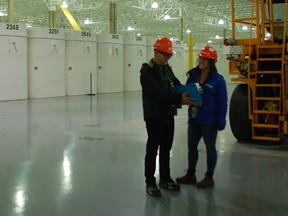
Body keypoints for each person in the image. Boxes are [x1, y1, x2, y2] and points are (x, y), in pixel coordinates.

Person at [140, 37, 193, 196]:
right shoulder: (147, 71)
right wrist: (179, 99)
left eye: (169, 56)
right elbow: (159, 95)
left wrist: (188, 91)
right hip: (154, 116)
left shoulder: (166, 68)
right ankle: (150, 182)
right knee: (152, 149)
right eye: (165, 55)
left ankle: (165, 178)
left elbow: (175, 84)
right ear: (156, 52)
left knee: (166, 148)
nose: (167, 58)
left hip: (168, 114)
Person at [176, 45, 228, 188]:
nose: (202, 61)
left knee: (210, 147)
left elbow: (222, 103)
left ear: (212, 62)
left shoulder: (218, 80)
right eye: (201, 58)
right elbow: (186, 90)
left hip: (209, 120)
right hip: (194, 118)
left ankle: (209, 176)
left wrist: (221, 121)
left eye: (205, 59)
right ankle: (191, 174)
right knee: (191, 146)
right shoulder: (193, 75)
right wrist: (184, 98)